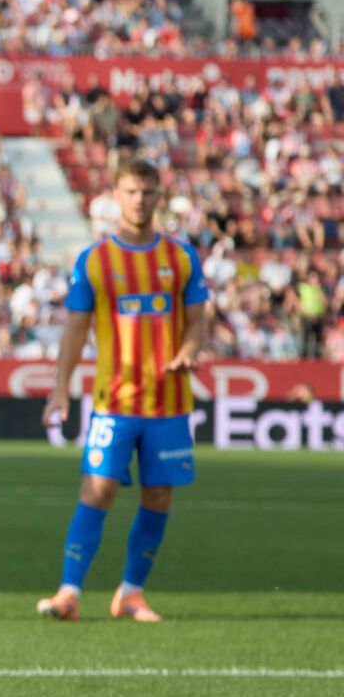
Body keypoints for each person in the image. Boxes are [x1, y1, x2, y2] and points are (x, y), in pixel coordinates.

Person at [38, 160, 206, 623]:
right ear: (116, 194)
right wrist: (61, 389)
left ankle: (131, 593)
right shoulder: (95, 260)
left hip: (169, 403)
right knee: (98, 489)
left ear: (159, 196)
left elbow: (197, 323)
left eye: (148, 192)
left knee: (159, 497)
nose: (139, 200)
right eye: (131, 191)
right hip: (114, 402)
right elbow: (75, 329)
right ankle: (69, 592)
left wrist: (189, 351)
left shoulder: (181, 257)